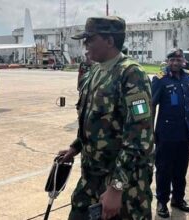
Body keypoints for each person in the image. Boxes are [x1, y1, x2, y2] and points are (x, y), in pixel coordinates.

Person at [58, 16, 154, 220]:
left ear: (110, 41)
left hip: (123, 184)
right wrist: (76, 146)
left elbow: (141, 137)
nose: (86, 45)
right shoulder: (94, 71)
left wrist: (117, 187)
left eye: (90, 39)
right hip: (91, 178)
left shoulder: (131, 74)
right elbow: (92, 118)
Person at [152, 49, 189, 218]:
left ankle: (178, 198)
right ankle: (162, 202)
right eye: (172, 60)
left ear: (183, 60)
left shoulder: (188, 78)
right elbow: (152, 105)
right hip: (166, 132)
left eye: (178, 59)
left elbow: (188, 101)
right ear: (167, 61)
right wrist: (150, 131)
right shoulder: (159, 78)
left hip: (184, 131)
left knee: (181, 168)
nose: (175, 63)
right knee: (163, 169)